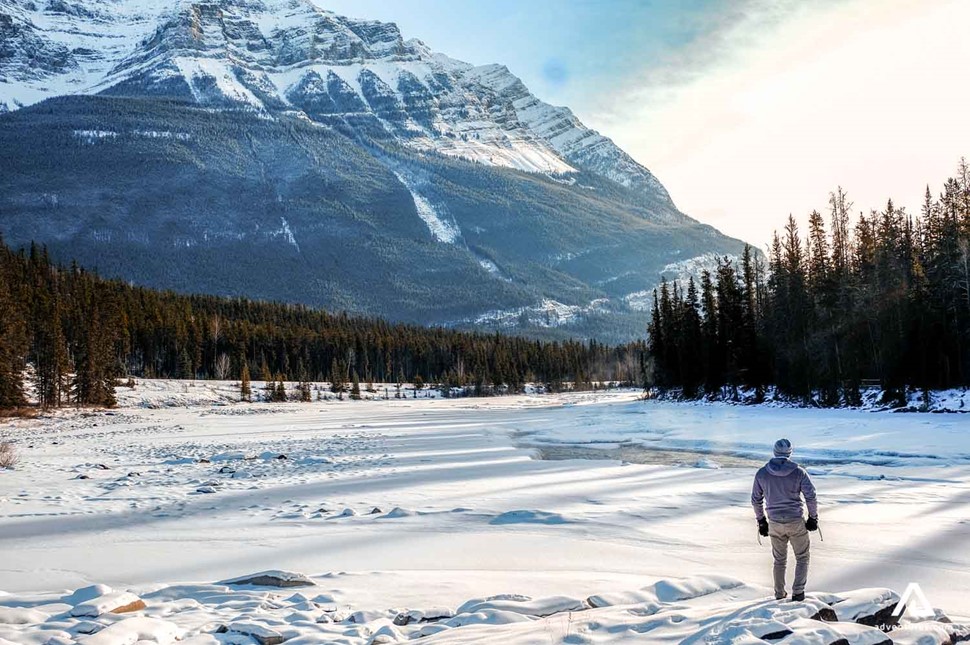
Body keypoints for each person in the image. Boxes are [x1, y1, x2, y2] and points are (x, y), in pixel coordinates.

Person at [751, 438, 818, 602]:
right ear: (790, 453)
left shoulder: (762, 473)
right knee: (802, 557)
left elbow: (755, 500)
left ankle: (779, 594)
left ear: (774, 452)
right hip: (795, 521)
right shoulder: (799, 472)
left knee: (779, 560)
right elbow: (811, 496)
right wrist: (813, 518)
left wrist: (761, 521)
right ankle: (798, 593)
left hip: (774, 522)